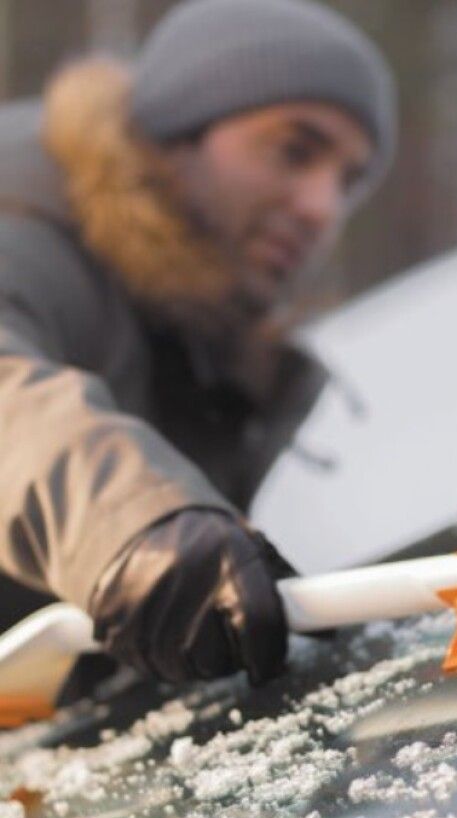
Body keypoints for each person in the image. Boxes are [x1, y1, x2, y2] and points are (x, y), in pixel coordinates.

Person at [0, 0, 396, 687]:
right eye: (295, 150)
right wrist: (137, 523)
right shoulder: (24, 226)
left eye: (347, 180)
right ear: (175, 133)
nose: (322, 208)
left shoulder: (207, 342)